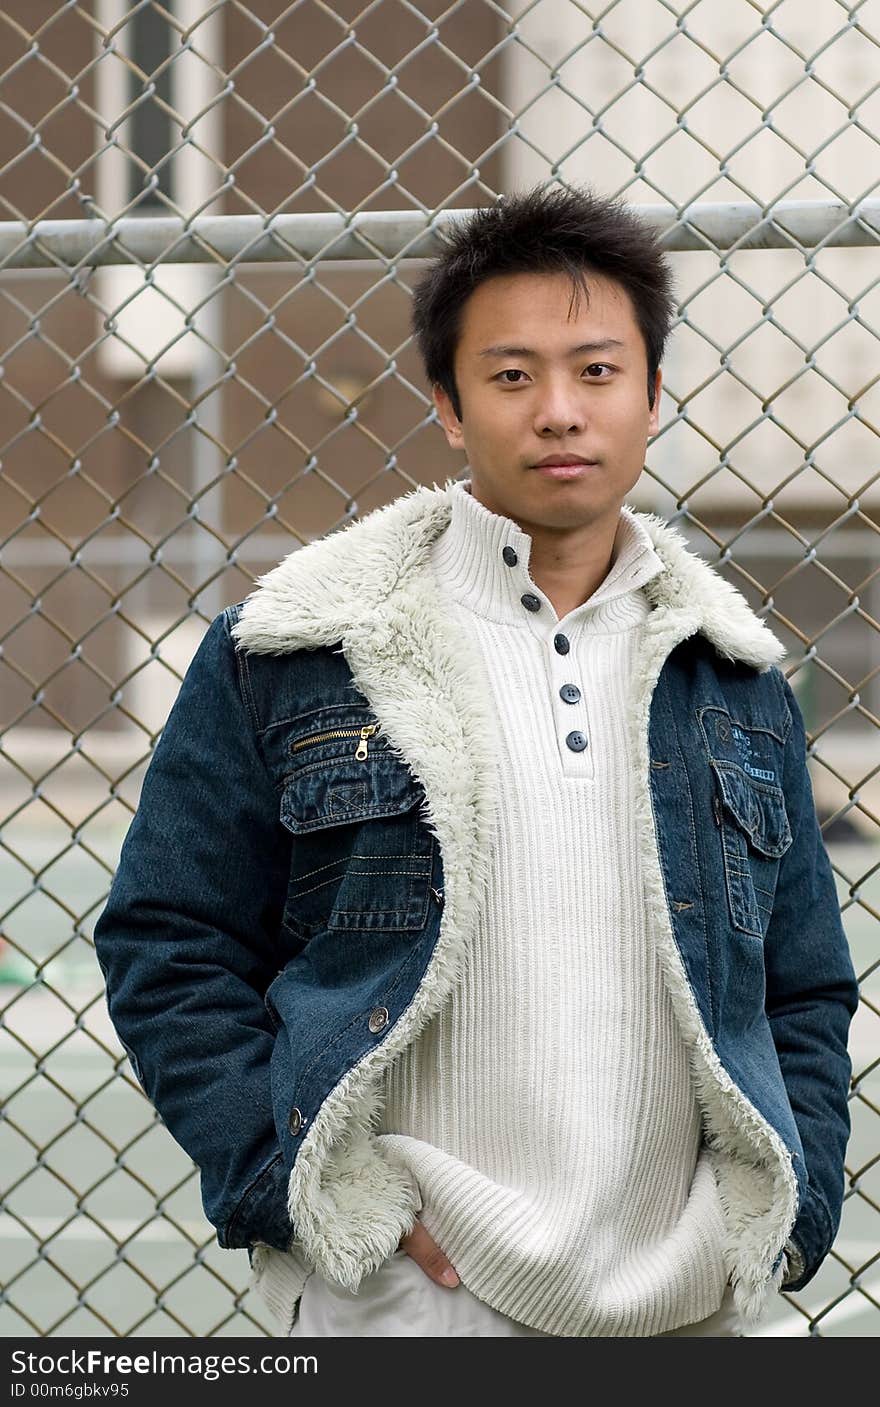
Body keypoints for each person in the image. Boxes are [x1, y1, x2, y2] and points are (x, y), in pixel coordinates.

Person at [93, 184, 859, 1338]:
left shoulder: (732, 672)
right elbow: (170, 944)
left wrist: (776, 1220)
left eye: (597, 372)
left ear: (653, 395)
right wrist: (315, 1193)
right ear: (447, 407)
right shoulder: (298, 648)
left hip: (693, 1297)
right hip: (407, 1297)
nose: (558, 411)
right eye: (511, 377)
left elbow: (802, 986)